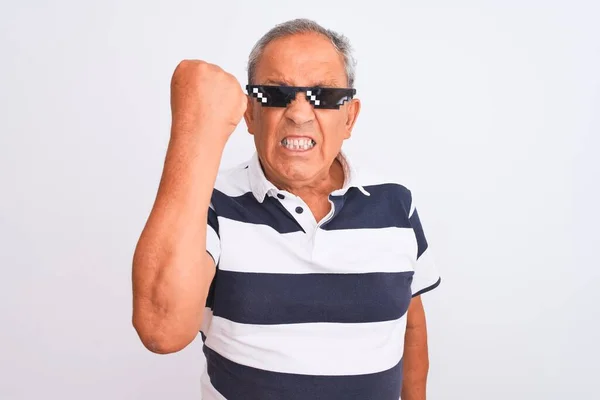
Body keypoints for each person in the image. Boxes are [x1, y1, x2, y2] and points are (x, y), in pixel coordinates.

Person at [132, 18, 441, 400]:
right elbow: (160, 330)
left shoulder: (396, 203)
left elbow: (409, 324)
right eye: (275, 94)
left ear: (350, 116)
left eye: (323, 95)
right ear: (249, 114)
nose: (298, 113)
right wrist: (195, 127)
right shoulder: (208, 204)